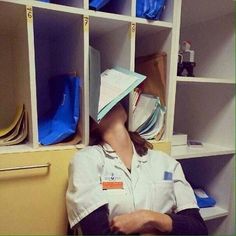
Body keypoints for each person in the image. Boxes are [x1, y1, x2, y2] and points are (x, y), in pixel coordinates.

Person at [66, 103, 208, 235]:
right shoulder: (86, 160)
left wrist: (148, 218)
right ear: (91, 125)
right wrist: (165, 225)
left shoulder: (166, 164)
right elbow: (97, 232)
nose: (112, 103)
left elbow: (198, 229)